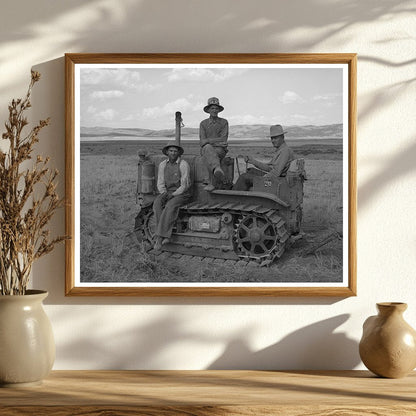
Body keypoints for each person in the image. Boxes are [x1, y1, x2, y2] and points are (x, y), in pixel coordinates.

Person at [153, 142, 192, 251]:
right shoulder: (163, 165)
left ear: (179, 153)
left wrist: (173, 194)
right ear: (167, 152)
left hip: (182, 193)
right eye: (171, 151)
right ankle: (164, 233)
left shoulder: (183, 164)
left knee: (170, 206)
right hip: (168, 191)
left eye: (175, 151)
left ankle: (160, 238)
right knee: (157, 203)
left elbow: (185, 185)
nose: (173, 153)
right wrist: (164, 193)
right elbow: (160, 181)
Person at [233, 124, 295, 191]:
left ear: (282, 137)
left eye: (276, 138)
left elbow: (276, 173)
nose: (273, 141)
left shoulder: (285, 151)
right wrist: (253, 161)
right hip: (276, 179)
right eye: (272, 138)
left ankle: (232, 196)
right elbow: (269, 168)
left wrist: (261, 179)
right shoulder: (281, 150)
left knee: (244, 177)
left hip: (277, 181)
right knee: (250, 170)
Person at [199, 97, 229, 190]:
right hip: (207, 149)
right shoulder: (203, 124)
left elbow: (223, 139)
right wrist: (216, 142)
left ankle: (210, 182)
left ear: (219, 110)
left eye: (216, 108)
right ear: (208, 110)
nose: (214, 110)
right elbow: (202, 142)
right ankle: (217, 169)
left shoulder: (224, 122)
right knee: (208, 148)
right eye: (212, 108)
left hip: (220, 150)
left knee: (208, 149)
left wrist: (208, 141)